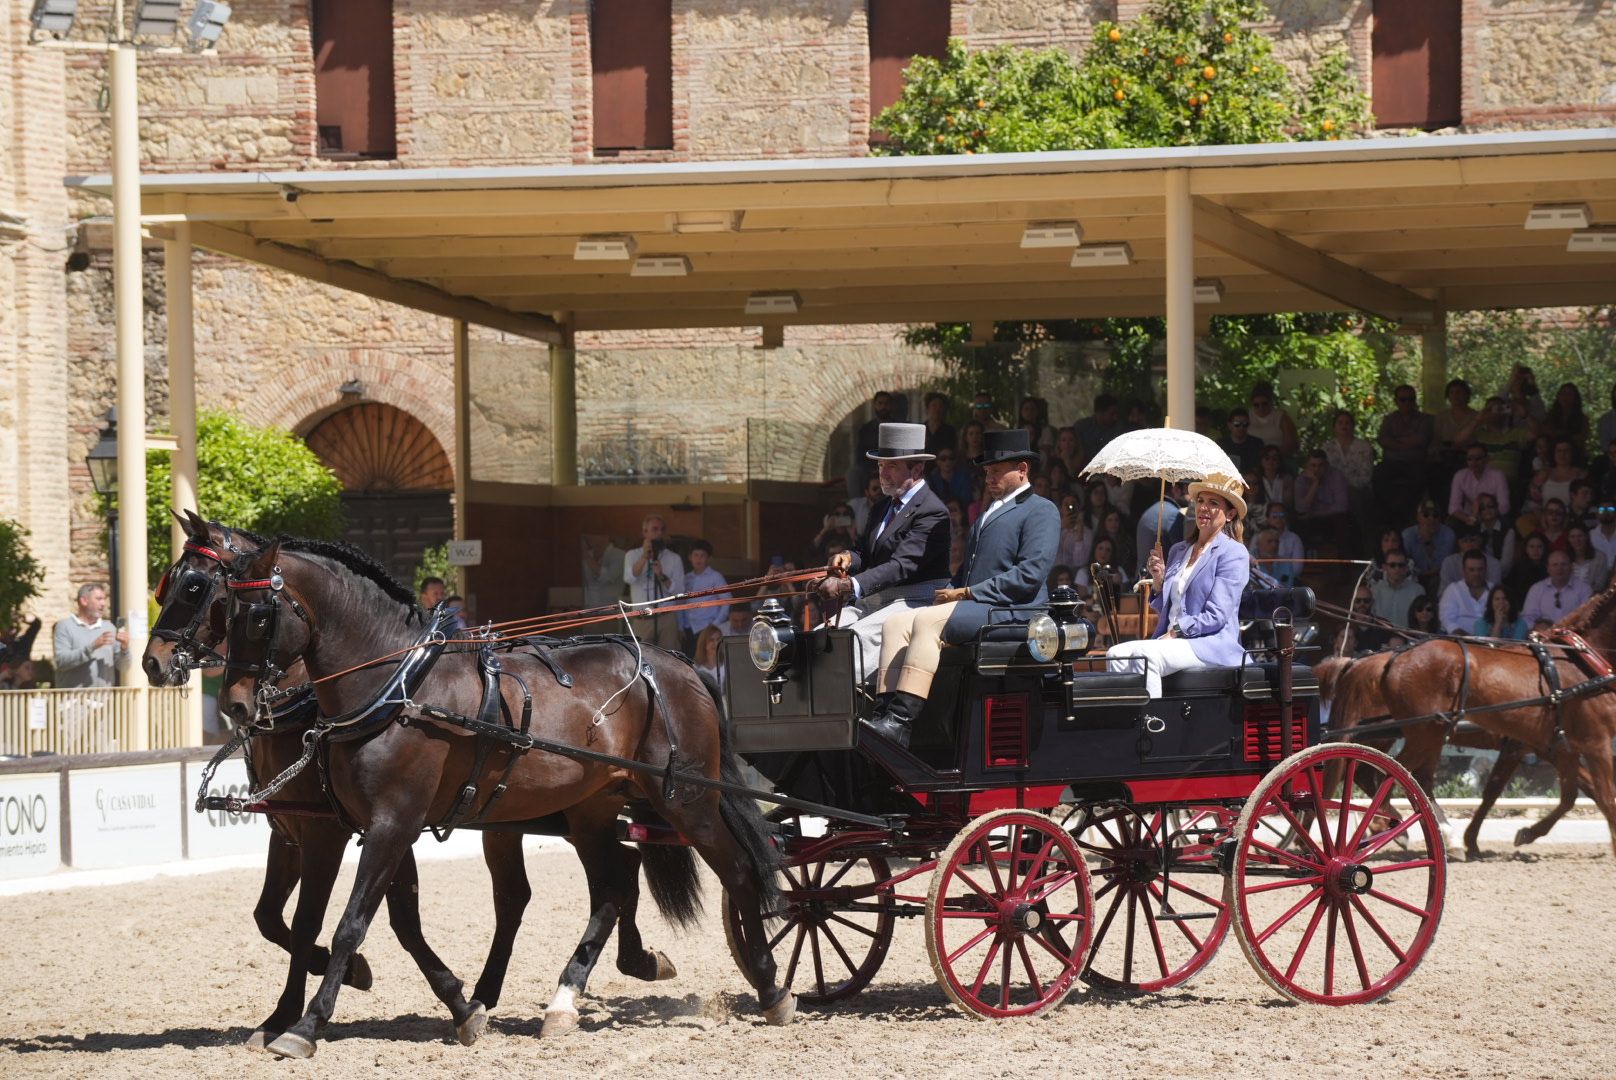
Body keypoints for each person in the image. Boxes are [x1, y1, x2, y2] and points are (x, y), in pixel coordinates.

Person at [864, 429, 1058, 747]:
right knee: (896, 622)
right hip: (978, 606)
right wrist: (951, 590)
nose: (989, 478)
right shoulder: (986, 514)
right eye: (987, 472)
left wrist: (968, 594)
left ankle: (901, 723)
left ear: (1022, 469)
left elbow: (1030, 575)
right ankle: (883, 714)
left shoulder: (1041, 510)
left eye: (996, 471)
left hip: (1017, 610)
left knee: (928, 622)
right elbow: (967, 573)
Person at [812, 423, 951, 684]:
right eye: (880, 466)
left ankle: (856, 712)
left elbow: (902, 565)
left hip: (916, 601)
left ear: (917, 469)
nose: (883, 473)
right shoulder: (882, 507)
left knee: (855, 641)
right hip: (877, 599)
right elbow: (865, 550)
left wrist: (849, 585)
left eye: (892, 466)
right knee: (822, 636)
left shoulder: (932, 511)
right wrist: (850, 558)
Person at [1106, 472, 1251, 699]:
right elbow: (1168, 606)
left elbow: (1217, 615)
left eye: (1214, 503)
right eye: (1201, 500)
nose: (1203, 508)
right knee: (1115, 653)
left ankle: (1153, 727)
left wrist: (1176, 632)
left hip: (1210, 643)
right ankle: (1129, 725)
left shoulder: (1234, 553)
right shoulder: (1179, 550)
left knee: (1146, 655)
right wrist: (1159, 580)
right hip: (1174, 640)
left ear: (1230, 514)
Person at [624, 513, 685, 650]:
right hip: (642, 619)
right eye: (655, 529)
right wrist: (644, 557)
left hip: (666, 618)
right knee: (642, 660)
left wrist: (662, 576)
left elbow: (680, 591)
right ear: (645, 532)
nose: (659, 533)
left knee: (669, 660)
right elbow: (629, 578)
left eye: (662, 530)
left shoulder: (673, 558)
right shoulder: (632, 555)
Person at [1376, 385, 1435, 524]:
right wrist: (1408, 443)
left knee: (1419, 481)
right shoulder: (1389, 419)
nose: (1407, 403)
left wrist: (1395, 442)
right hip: (1391, 464)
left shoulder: (1425, 419)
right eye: (1403, 400)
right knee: (1378, 475)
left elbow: (1422, 439)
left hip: (1416, 463)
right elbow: (1383, 440)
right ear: (1396, 401)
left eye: (1411, 399)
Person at [52, 582, 128, 689]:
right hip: (72, 702)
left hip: (104, 702)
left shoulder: (109, 628)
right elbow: (61, 662)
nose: (103, 603)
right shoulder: (64, 626)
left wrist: (124, 649)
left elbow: (124, 667)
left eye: (104, 599)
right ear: (84, 601)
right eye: (98, 599)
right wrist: (92, 647)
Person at [1293, 449, 1350, 553]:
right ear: (1307, 465)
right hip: (1311, 521)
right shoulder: (1301, 480)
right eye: (1313, 465)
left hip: (1331, 518)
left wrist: (1313, 514)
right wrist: (1315, 484)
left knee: (1342, 522)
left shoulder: (1336, 476)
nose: (1316, 469)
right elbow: (1301, 509)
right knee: (1299, 524)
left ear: (1326, 465)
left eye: (1320, 465)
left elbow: (1342, 506)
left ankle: (1343, 565)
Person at [679, 540, 731, 650]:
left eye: (702, 556)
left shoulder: (716, 577)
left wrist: (715, 624)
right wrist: (681, 626)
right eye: (696, 555)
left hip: (707, 627)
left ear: (709, 558)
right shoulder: (686, 578)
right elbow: (681, 603)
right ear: (690, 557)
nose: (698, 559)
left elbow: (727, 601)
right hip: (688, 627)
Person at [1522, 548, 1592, 627]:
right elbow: (1528, 617)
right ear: (1548, 568)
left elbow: (1587, 617)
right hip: (1542, 636)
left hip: (1573, 635)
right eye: (1555, 565)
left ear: (1571, 567)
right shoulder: (1536, 589)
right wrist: (1537, 629)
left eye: (1564, 564)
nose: (1559, 568)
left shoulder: (1584, 589)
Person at [1134, 482, 1186, 579]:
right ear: (1175, 489)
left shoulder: (1151, 510)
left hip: (1142, 579)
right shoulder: (1174, 515)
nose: (1190, 496)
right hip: (1159, 582)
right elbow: (1183, 553)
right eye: (1187, 489)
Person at [1448, 443, 1511, 524]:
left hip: (1493, 516)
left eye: (1478, 458)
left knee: (1505, 520)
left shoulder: (1498, 476)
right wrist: (1468, 519)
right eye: (1470, 459)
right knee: (1451, 522)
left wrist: (1485, 517)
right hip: (1469, 517)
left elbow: (1504, 506)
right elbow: (1453, 507)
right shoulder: (1460, 476)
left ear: (1487, 459)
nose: (1474, 462)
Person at [1401, 501, 1455, 591]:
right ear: (1418, 517)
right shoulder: (1407, 535)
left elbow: (1443, 566)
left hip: (1438, 577)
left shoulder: (1448, 534)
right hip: (1413, 577)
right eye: (1426, 515)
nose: (1431, 519)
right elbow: (1405, 565)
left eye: (1435, 515)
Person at [1438, 549, 1493, 634]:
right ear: (1463, 571)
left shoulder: (1495, 590)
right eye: (1471, 570)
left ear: (1486, 570)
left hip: (1491, 642)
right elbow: (1447, 620)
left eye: (1480, 569)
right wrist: (1466, 639)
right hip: (1459, 642)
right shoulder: (1453, 590)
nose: (1476, 574)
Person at [1438, 528, 1501, 596]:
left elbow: (1496, 594)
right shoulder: (1449, 562)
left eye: (1472, 540)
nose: (1469, 544)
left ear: (1480, 541)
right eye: (1465, 541)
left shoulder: (1493, 564)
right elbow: (1444, 593)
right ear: (1459, 543)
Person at [1246, 381, 1299, 461]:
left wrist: (1272, 459)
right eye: (1256, 405)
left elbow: (1290, 443)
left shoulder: (1281, 417)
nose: (1261, 408)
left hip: (1279, 460)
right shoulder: (1247, 417)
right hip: (1252, 459)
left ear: (1270, 402)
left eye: (1264, 404)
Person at [1371, 549, 1423, 627]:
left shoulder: (1417, 590)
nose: (1397, 568)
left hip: (1409, 637)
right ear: (1384, 567)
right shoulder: (1374, 591)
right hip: (1380, 636)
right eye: (1392, 565)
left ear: (1406, 568)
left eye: (1401, 565)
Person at [1504, 531, 1550, 609]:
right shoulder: (1518, 568)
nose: (1535, 550)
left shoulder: (1551, 566)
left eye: (1539, 546)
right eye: (1531, 546)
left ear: (1545, 548)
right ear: (1526, 548)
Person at [1218, 407, 1266, 482]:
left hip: (1251, 484)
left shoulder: (1257, 444)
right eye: (1237, 424)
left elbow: (1260, 469)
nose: (1241, 427)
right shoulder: (1220, 444)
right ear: (1229, 425)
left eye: (1245, 424)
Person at [580, 534, 626, 608]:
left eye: (594, 534)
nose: (590, 537)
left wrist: (586, 556)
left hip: (611, 610)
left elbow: (608, 577)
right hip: (588, 609)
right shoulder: (588, 554)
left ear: (605, 536)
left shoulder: (619, 554)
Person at [1074, 393, 1124, 460]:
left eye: (1116, 414)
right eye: (1111, 414)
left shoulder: (1118, 429)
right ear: (1100, 413)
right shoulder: (1082, 427)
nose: (1115, 417)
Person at [1566, 524, 1610, 593]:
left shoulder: (1600, 557)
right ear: (1568, 539)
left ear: (1586, 537)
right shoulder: (1564, 557)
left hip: (1592, 599)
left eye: (1580, 536)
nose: (1577, 540)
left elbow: (1600, 585)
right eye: (1572, 537)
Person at [922, 391, 957, 456]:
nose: (937, 409)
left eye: (940, 406)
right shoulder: (920, 429)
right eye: (934, 405)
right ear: (927, 409)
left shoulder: (949, 431)